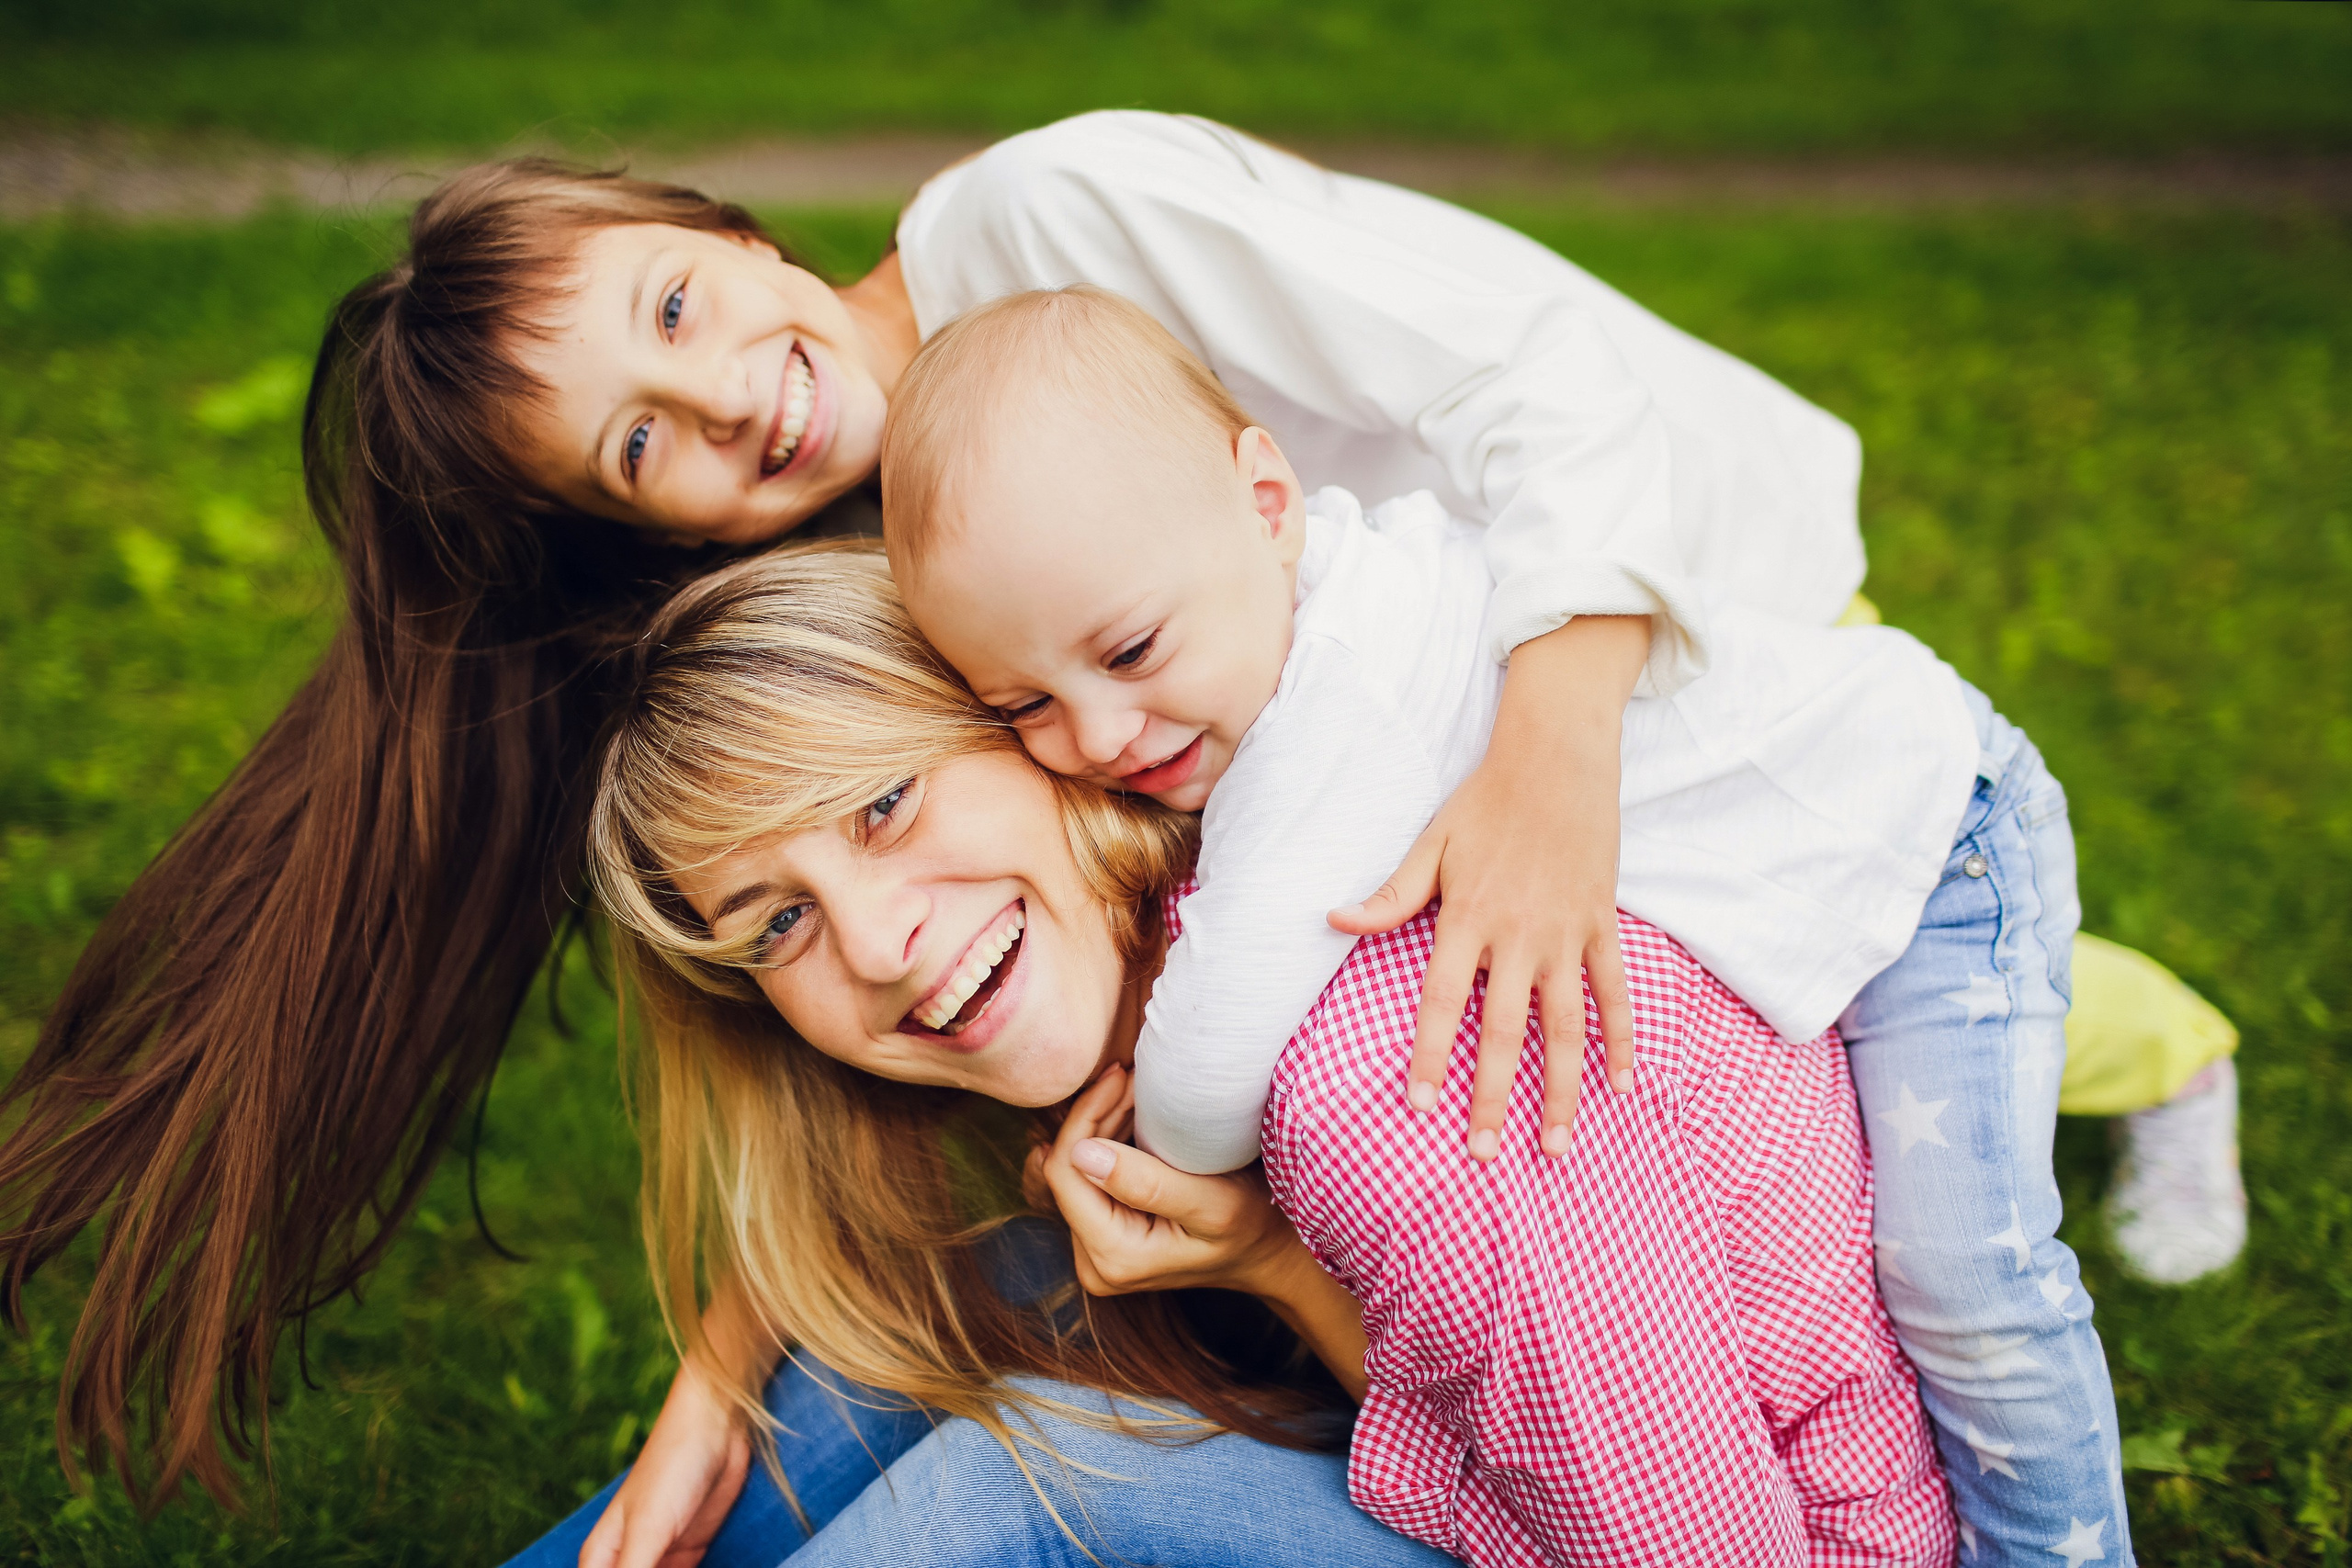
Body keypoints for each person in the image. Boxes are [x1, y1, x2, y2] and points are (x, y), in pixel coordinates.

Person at [0, 110, 2236, 1512]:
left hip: (1659, 644)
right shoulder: (887, 538)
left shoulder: (1049, 225)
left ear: (727, 224)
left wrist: (1546, 758)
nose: (721, 397)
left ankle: (2110, 1262)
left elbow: (1528, 386)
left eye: (678, 308)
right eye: (642, 448)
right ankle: (2113, 1039)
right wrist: (720, 1353)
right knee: (1810, 1033)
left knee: (1924, 1112)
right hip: (1433, 778)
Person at [876, 284, 2124, 1562]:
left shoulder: (1339, 699)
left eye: (1130, 651)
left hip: (1930, 837)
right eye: (1023, 703)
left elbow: (1206, 1081)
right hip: (1816, 861)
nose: (1093, 735)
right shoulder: (1302, 598)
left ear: (1266, 504)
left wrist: (1163, 1121)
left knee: (1966, 1282)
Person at [546, 540, 1951, 1565]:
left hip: (1785, 1539)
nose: (875, 944)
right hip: (1612, 1440)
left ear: (1028, 720)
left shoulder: (1378, 1072)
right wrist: (715, 1390)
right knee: (918, 1329)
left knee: (1018, 1488)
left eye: (882, 806)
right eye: (779, 921)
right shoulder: (1197, 977)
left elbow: (1691, 1552)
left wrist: (1273, 1265)